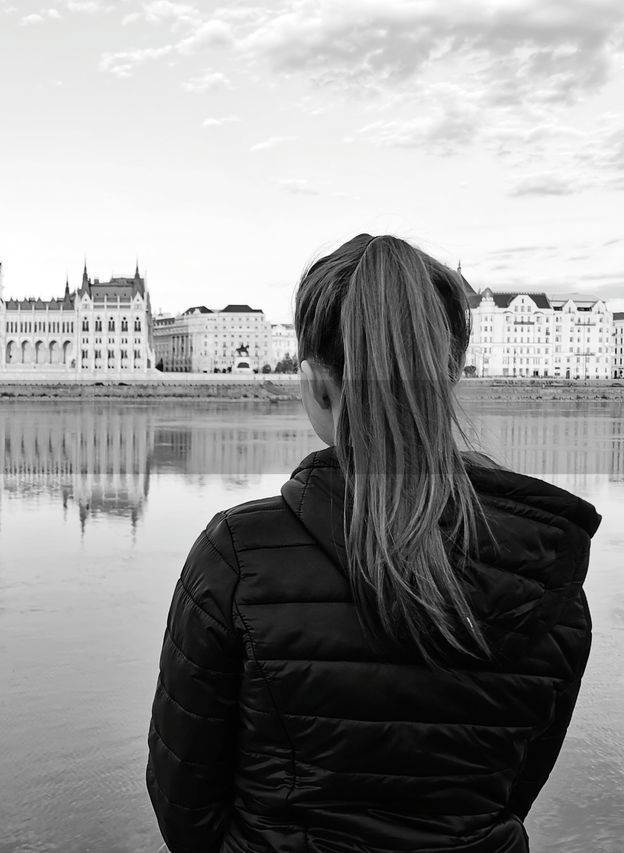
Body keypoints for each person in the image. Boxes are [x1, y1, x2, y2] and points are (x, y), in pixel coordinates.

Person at [145, 234, 598, 852]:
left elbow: (186, 810)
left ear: (313, 385)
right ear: (453, 377)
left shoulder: (235, 560)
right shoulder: (547, 571)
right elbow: (511, 790)